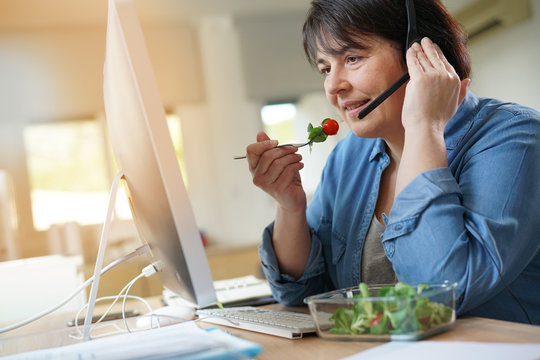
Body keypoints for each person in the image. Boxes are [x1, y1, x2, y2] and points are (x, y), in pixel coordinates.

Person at [245, 0, 540, 325]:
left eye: (352, 58)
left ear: (421, 53)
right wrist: (290, 208)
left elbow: (440, 295)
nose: (332, 86)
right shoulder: (349, 156)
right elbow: (305, 293)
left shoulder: (515, 139)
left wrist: (423, 127)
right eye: (326, 68)